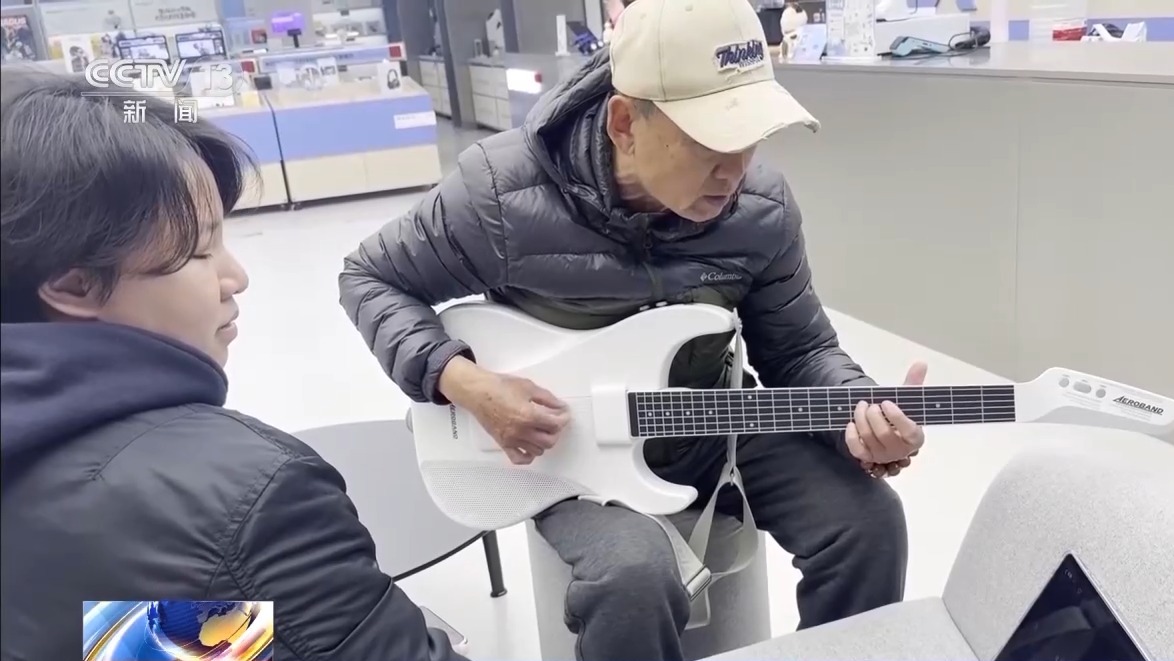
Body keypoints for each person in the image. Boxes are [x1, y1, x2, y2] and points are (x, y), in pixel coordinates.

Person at [338, 0, 927, 659]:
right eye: (710, 143)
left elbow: (799, 349)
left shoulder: (762, 208)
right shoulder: (500, 194)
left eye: (752, 137)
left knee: (869, 523)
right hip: (564, 449)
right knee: (633, 576)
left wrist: (858, 412)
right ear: (624, 123)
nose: (735, 170)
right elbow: (369, 277)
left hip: (711, 420)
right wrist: (465, 382)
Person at [0, 67, 465, 661]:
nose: (236, 276)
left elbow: (108, 639)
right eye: (199, 250)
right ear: (74, 285)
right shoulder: (246, 502)